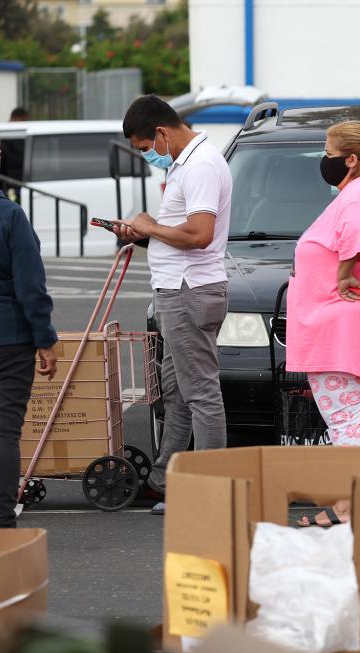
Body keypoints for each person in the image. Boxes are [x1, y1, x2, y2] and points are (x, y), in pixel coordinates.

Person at [112, 95, 233, 515]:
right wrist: (144, 233)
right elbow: (184, 232)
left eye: (147, 148)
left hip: (189, 291)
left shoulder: (199, 165)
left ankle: (206, 488)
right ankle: (167, 477)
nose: (149, 156)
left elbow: (199, 234)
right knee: (178, 393)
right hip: (180, 290)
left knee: (199, 393)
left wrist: (149, 226)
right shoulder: (189, 162)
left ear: (162, 133)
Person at [285, 120, 360, 528]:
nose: (325, 159)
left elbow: (355, 229)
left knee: (347, 419)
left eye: (328, 151)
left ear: (351, 160)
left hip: (343, 326)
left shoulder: (358, 194)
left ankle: (349, 510)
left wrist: (344, 270)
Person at [0, 158, 58, 528]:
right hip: (10, 338)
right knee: (4, 429)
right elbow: (30, 285)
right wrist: (45, 340)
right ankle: (1, 516)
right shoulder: (11, 216)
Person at [0, 108, 28, 200]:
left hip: (14, 183)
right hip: (11, 184)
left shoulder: (10, 134)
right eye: (25, 120)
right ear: (18, 118)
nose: (26, 123)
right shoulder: (9, 134)